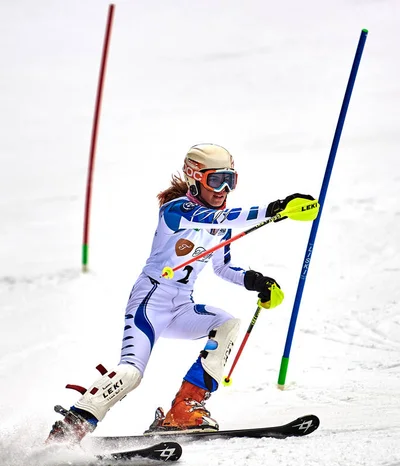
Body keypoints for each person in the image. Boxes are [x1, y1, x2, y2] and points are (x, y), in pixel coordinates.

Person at [47, 143, 316, 443]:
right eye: (216, 180)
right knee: (131, 374)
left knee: (226, 324)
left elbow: (223, 266)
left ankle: (184, 409)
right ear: (194, 178)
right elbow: (218, 219)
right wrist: (277, 208)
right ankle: (70, 428)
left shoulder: (222, 220)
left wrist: (256, 281)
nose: (224, 189)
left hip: (180, 308)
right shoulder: (176, 210)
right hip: (149, 304)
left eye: (231, 180)